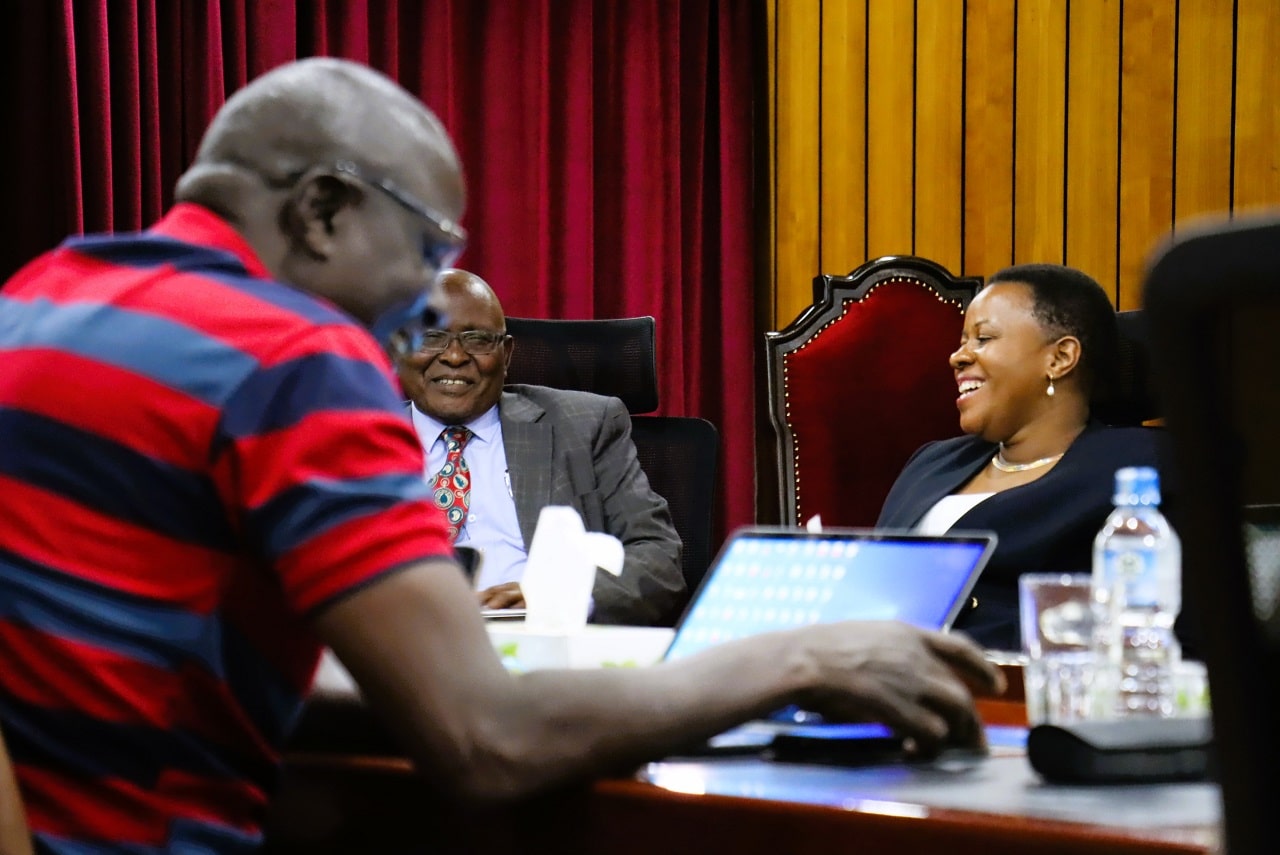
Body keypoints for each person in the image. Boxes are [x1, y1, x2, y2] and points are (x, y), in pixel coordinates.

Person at [0, 58, 1003, 854]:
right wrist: (802, 655)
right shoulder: (294, 360)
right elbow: (486, 743)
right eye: (424, 250)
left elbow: (218, 669)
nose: (426, 304)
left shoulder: (37, 302)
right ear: (319, 212)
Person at [877, 263, 1170, 650]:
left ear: (1060, 358)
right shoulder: (932, 463)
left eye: (983, 338)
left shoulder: (1135, 469)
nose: (958, 357)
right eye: (962, 340)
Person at [396, 269, 686, 626]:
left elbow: (659, 560)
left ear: (506, 354)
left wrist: (558, 596)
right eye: (430, 337)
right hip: (402, 642)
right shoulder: (358, 443)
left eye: (478, 340)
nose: (454, 356)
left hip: (543, 643)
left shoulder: (584, 426)